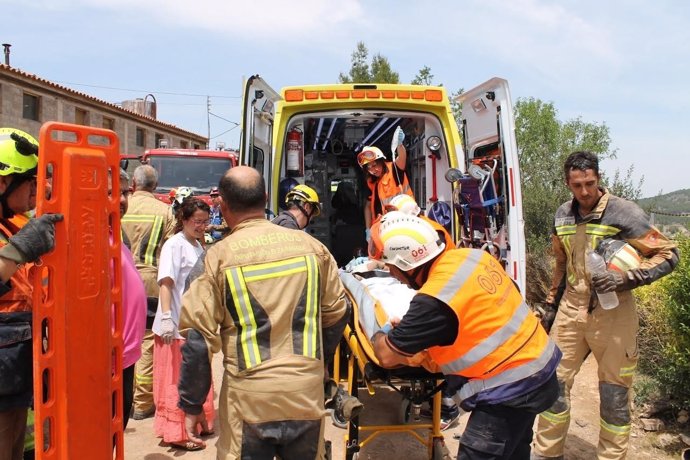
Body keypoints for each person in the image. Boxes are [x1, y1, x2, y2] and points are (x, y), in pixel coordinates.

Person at [176, 166, 349, 459]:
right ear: (266, 198)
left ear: (223, 205)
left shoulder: (216, 259)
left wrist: (192, 404)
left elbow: (198, 341)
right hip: (304, 394)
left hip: (249, 400)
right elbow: (337, 313)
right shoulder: (314, 249)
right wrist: (318, 365)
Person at [369, 212, 560, 459]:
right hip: (541, 371)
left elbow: (386, 356)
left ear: (409, 263)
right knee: (514, 451)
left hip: (510, 389)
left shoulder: (432, 301)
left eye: (393, 266)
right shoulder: (472, 257)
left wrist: (381, 333)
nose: (392, 273)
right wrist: (416, 330)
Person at [532, 151, 680, 460]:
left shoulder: (625, 213)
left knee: (614, 394)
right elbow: (560, 263)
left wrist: (627, 279)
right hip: (572, 308)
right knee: (551, 385)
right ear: (567, 184)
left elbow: (669, 255)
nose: (584, 192)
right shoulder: (562, 215)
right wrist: (550, 306)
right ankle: (547, 454)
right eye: (577, 185)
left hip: (615, 312)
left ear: (599, 179)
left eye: (589, 183)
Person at [0, 128, 62, 460]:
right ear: (2, 182)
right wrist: (17, 250)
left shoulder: (12, 224)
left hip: (14, 369)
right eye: (30, 182)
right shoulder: (14, 234)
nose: (36, 191)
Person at [152, 196, 215, 451]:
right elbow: (166, 283)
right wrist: (167, 318)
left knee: (197, 376)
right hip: (175, 326)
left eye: (204, 222)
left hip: (194, 325)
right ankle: (176, 431)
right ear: (184, 220)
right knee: (177, 379)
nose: (201, 226)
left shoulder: (198, 245)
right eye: (196, 222)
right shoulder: (174, 245)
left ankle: (198, 421)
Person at [121, 165, 175, 421]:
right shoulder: (165, 211)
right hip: (149, 280)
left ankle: (118, 393)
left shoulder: (120, 204)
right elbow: (170, 249)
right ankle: (141, 402)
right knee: (144, 340)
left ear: (133, 182)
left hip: (116, 277)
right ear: (155, 186)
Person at [114, 168, 147, 431]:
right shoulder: (84, 238)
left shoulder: (116, 234)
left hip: (125, 356)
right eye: (112, 192)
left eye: (125, 192)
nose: (123, 199)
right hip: (107, 361)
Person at [357, 127, 412, 237]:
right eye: (369, 168)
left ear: (381, 161)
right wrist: (368, 229)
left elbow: (402, 157)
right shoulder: (372, 181)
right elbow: (368, 206)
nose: (373, 170)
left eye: (375, 165)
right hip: (384, 228)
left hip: (404, 224)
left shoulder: (395, 170)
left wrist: (400, 145)